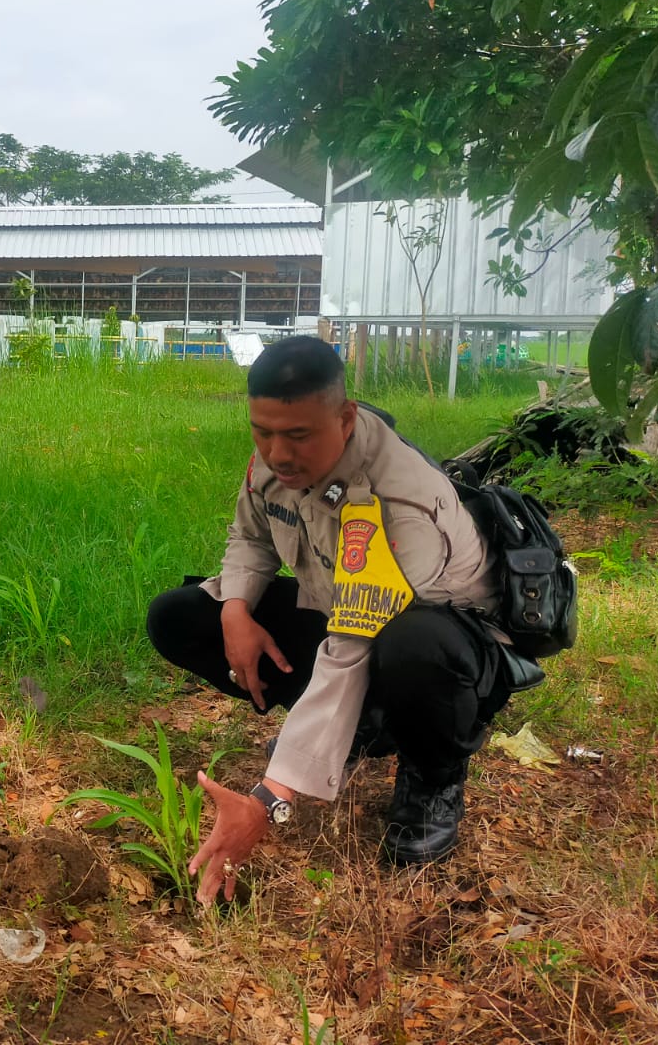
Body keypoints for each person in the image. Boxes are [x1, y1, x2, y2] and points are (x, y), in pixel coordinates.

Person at [145, 335, 520, 904]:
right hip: (346, 618)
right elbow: (251, 536)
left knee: (414, 646)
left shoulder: (398, 503)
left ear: (345, 419)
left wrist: (268, 798)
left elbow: (353, 649)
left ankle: (434, 776)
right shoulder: (278, 460)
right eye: (262, 432)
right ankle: (361, 727)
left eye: (297, 435)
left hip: (447, 651)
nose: (278, 453)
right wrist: (237, 610)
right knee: (180, 615)